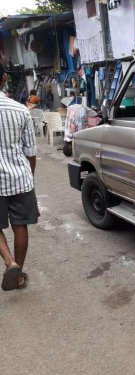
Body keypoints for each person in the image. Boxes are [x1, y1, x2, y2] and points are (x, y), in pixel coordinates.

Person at [0, 61, 39, 291]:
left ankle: (9, 261)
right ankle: (19, 273)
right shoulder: (21, 110)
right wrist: (30, 180)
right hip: (19, 178)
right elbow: (31, 152)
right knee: (20, 225)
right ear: (4, 78)